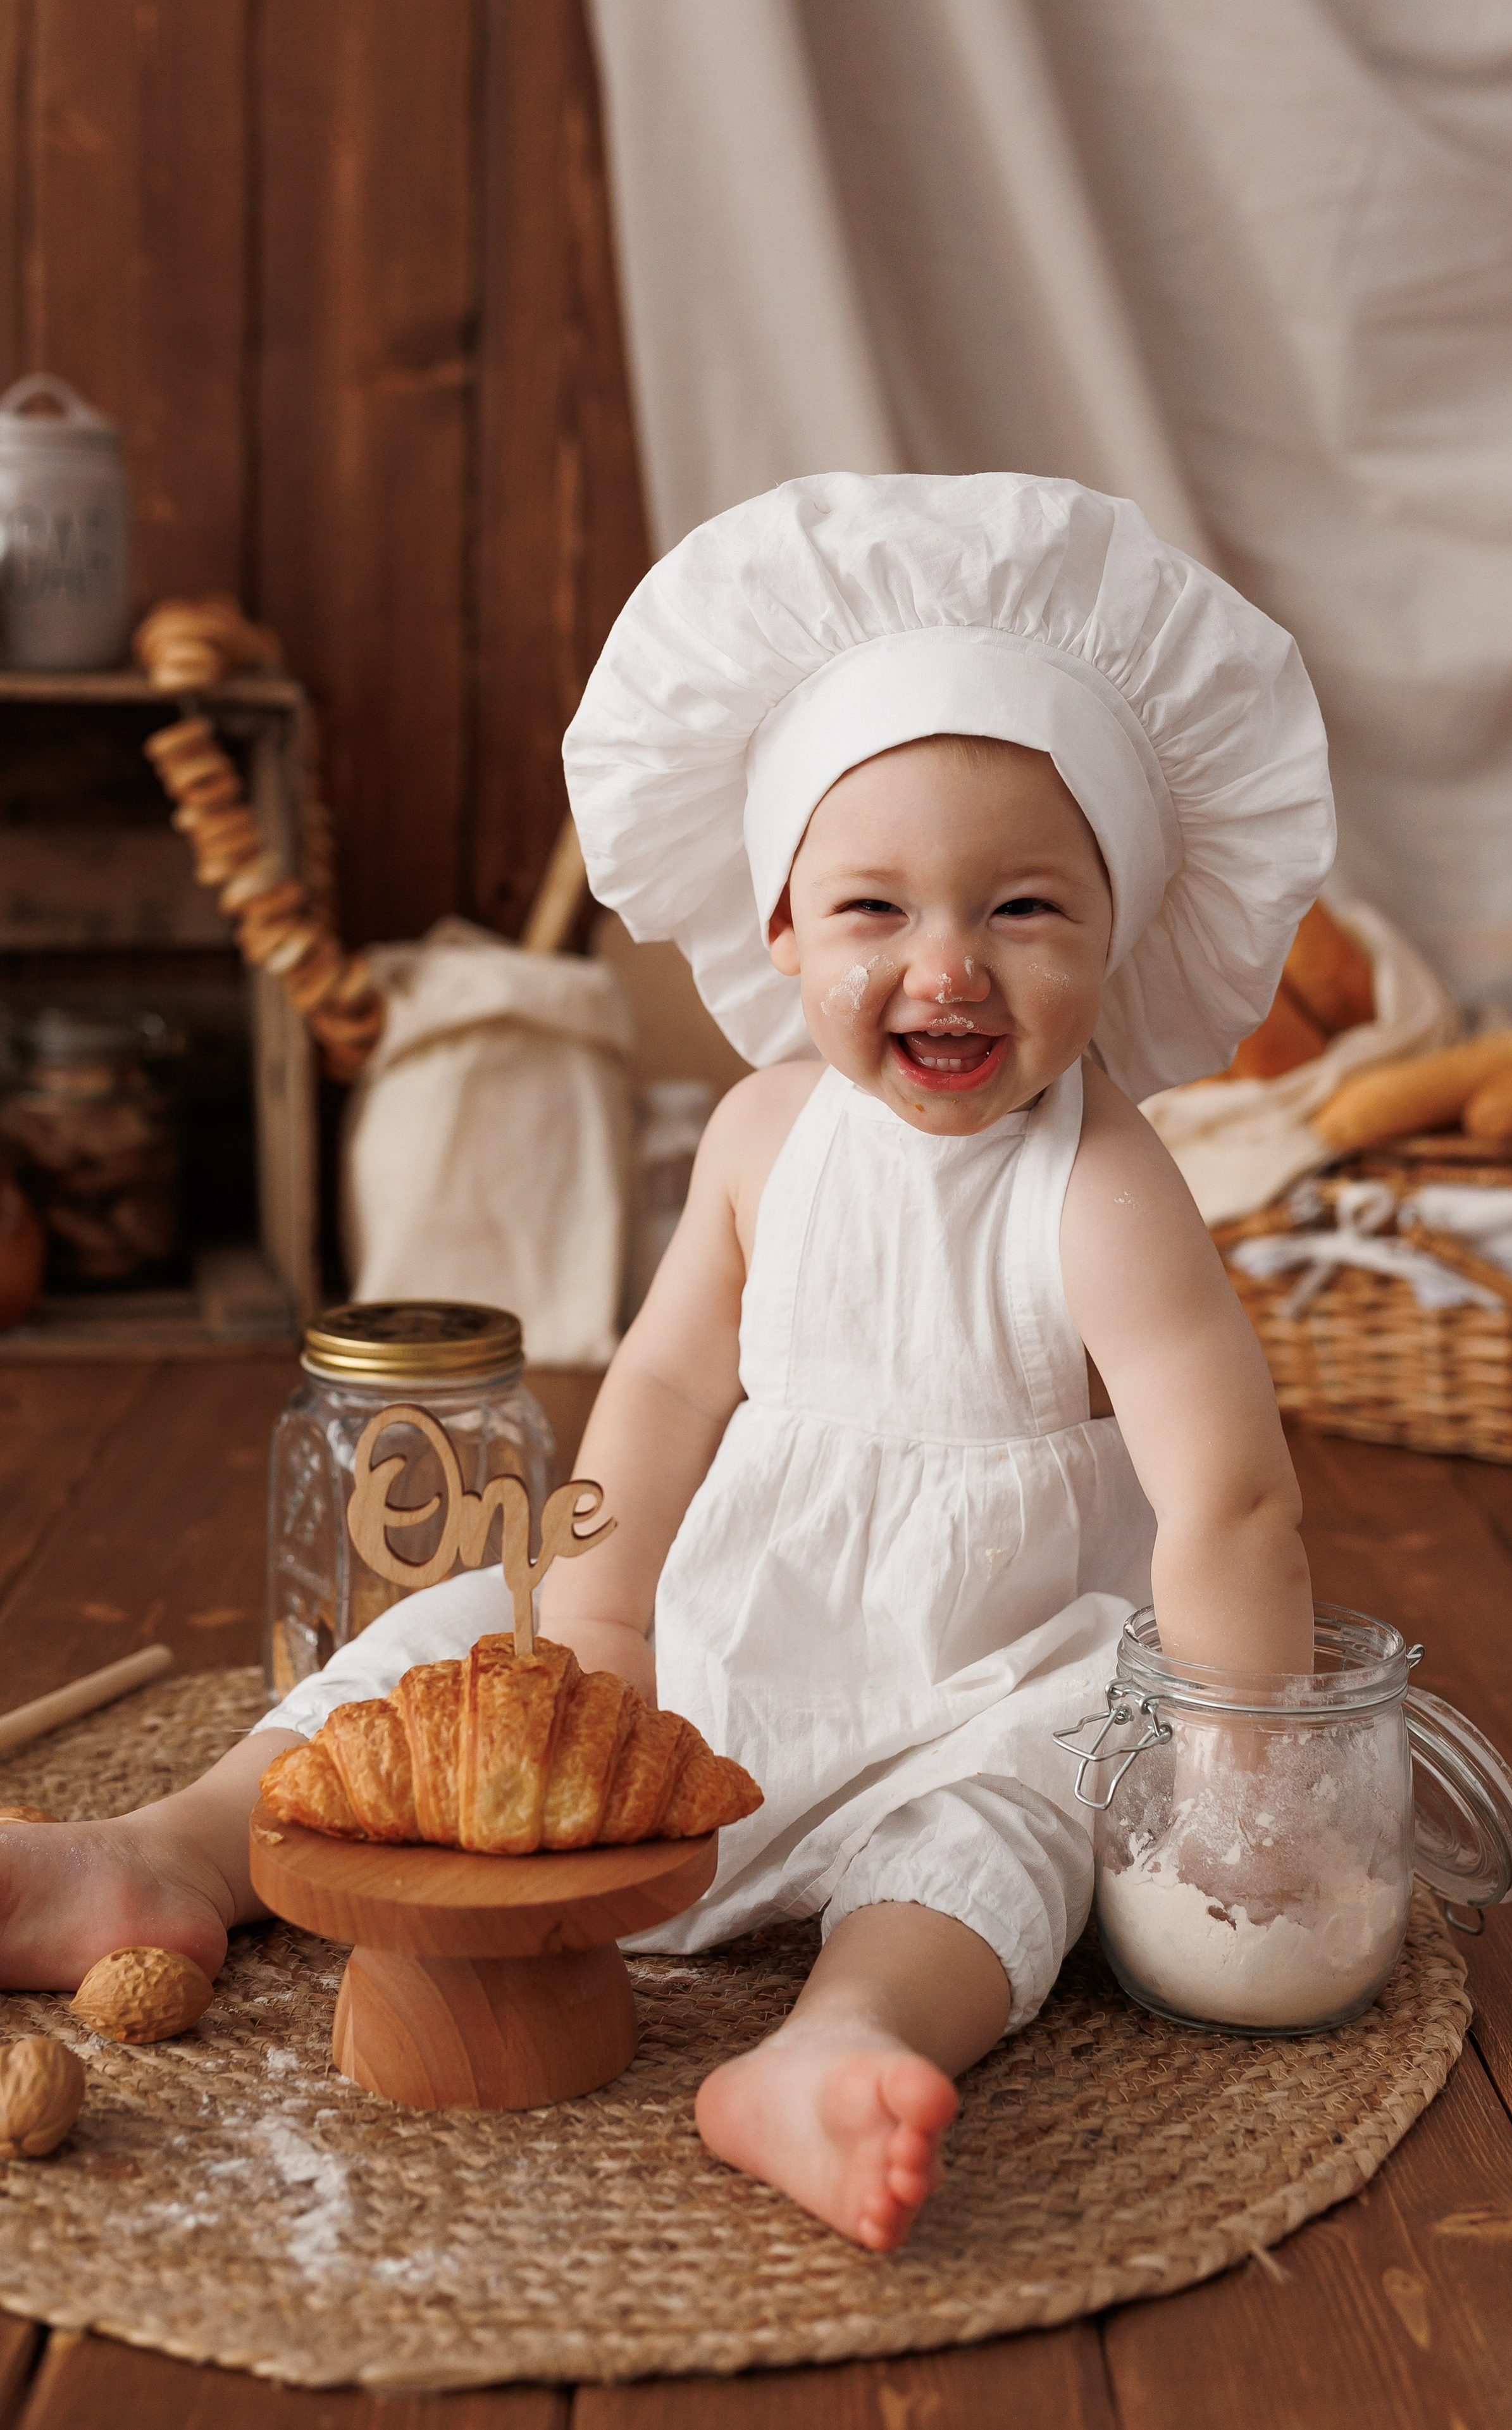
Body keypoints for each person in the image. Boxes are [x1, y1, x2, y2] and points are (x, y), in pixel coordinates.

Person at [0, 475, 1332, 2255]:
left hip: (984, 1651)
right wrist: (607, 1609)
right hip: (726, 1597)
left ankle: (844, 2034)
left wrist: (1248, 1772)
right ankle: (165, 1850)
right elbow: (662, 1389)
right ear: (780, 933)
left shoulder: (1100, 1183)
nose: (947, 963)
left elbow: (1228, 1491)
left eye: (1023, 907)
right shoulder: (764, 1134)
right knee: (446, 1648)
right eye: (874, 908)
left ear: (1119, 926)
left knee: (1015, 1822)